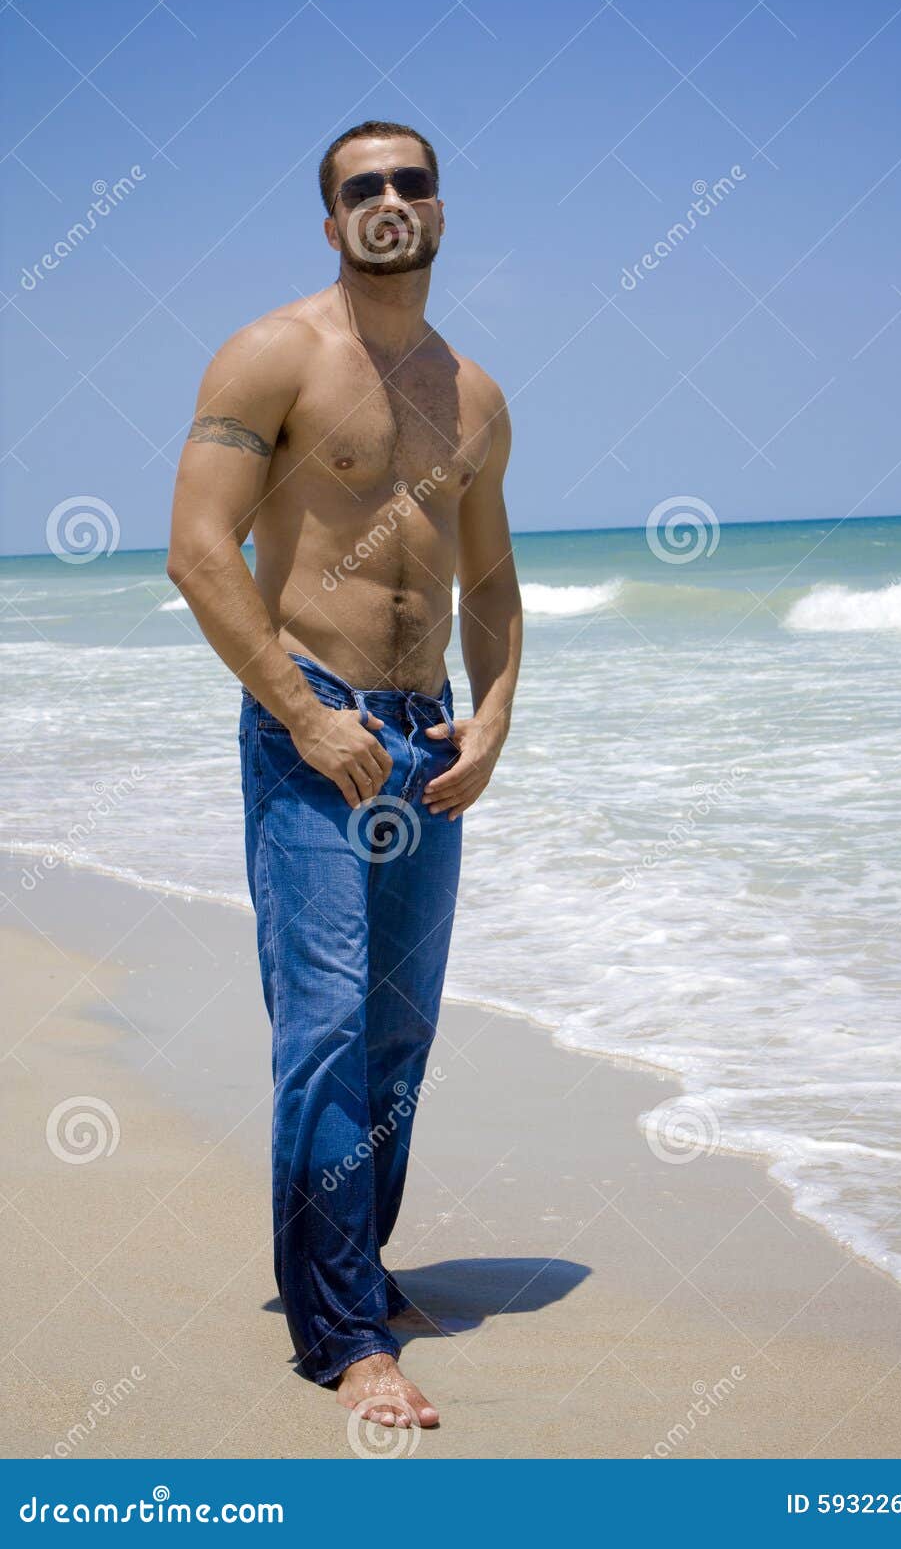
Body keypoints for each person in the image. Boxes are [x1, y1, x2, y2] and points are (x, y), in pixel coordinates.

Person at [166, 119, 522, 1431]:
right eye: (359, 188)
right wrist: (306, 717)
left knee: (398, 1031)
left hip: (425, 745)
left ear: (441, 209)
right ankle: (343, 1332)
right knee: (321, 1029)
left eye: (409, 183)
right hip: (313, 738)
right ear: (329, 222)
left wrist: (494, 713)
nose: (387, 202)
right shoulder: (274, 354)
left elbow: (487, 578)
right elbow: (200, 552)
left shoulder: (474, 395)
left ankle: (359, 1265)